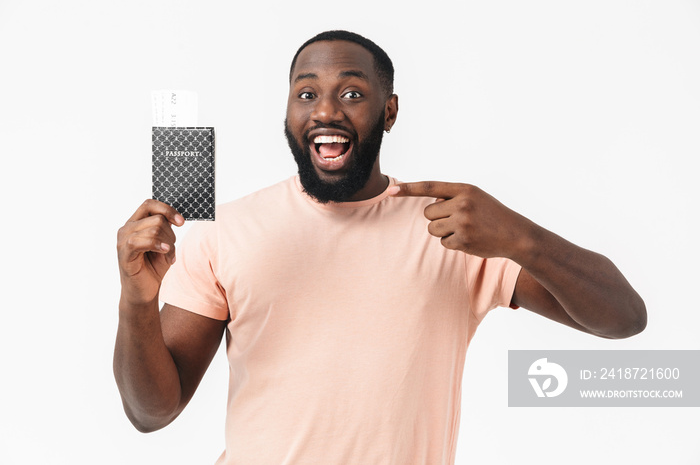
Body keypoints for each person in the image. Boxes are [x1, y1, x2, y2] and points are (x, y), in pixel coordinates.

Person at [114, 30, 646, 464]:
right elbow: (151, 413)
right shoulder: (225, 231)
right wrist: (137, 300)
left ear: (388, 112)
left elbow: (623, 317)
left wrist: (521, 237)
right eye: (306, 93)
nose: (326, 111)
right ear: (287, 113)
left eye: (351, 93)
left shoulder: (454, 230)